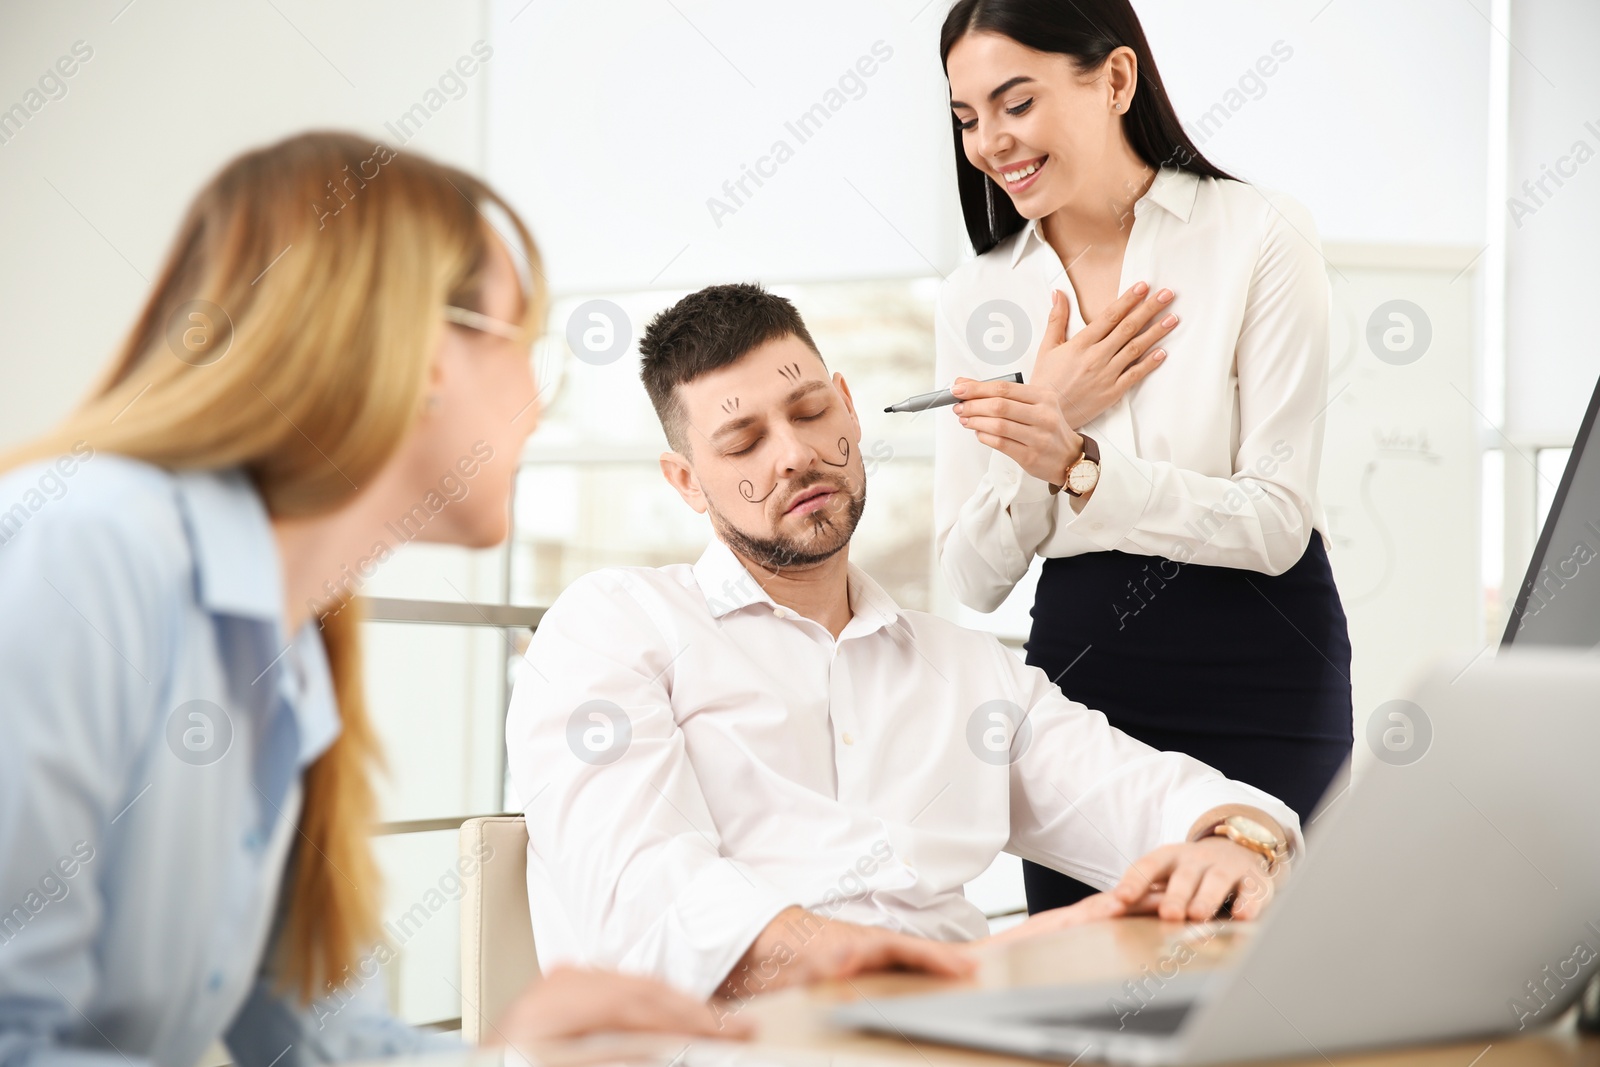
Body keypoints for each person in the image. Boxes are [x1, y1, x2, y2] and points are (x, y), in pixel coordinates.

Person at [0, 131, 745, 1066]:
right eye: (526, 342)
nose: (538, 397)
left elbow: (324, 1043)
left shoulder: (295, 650)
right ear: (428, 353)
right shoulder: (83, 554)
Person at [505, 282, 1305, 1008]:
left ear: (850, 409)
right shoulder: (617, 624)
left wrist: (1234, 843)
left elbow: (1149, 794)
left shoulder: (964, 669)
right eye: (742, 440)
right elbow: (644, 900)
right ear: (686, 482)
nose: (793, 454)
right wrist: (947, 971)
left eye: (811, 412)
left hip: (961, 1035)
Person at [932, 0, 1354, 915]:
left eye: (1016, 103)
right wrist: (1048, 430)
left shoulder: (1257, 234)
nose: (990, 142)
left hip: (1264, 662)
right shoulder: (978, 293)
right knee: (1090, 996)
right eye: (967, 117)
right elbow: (969, 571)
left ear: (1116, 79)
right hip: (1084, 688)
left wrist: (1081, 464)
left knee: (1262, 988)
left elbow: (1278, 521)